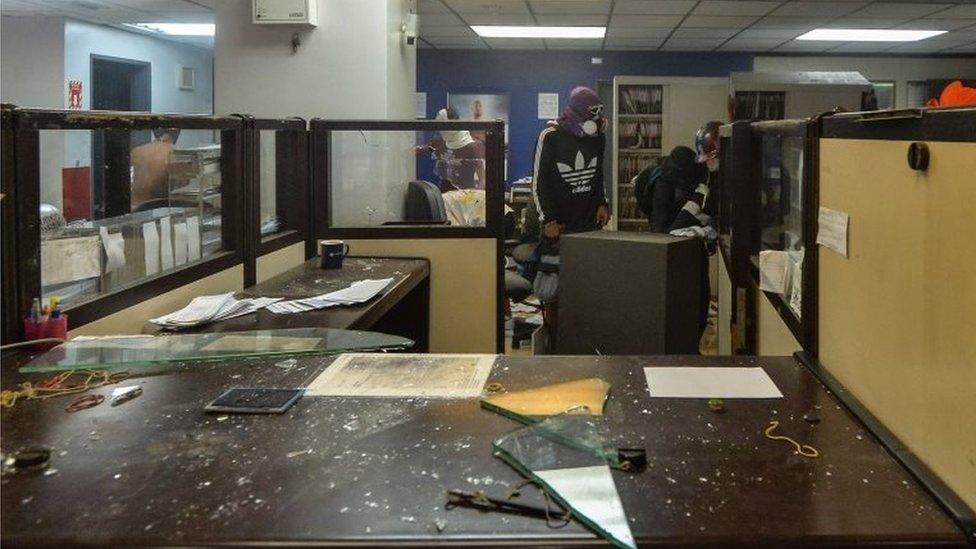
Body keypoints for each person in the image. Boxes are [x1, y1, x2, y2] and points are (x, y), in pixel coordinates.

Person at [634, 145, 713, 340]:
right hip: (670, 237)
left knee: (698, 297)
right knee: (678, 299)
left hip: (688, 240)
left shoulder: (698, 172)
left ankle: (691, 339)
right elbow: (661, 232)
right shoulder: (664, 183)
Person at [531, 86, 610, 241]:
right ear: (579, 111)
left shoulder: (597, 137)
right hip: (559, 226)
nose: (598, 116)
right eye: (594, 111)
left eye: (600, 110)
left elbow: (598, 173)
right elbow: (539, 183)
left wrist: (602, 202)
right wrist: (548, 220)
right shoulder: (550, 136)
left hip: (589, 223)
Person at [419, 108, 486, 190]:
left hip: (465, 196)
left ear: (452, 124)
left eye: (443, 125)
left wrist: (475, 198)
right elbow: (419, 150)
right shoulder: (440, 142)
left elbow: (483, 179)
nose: (441, 130)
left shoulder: (472, 146)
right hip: (444, 196)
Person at [131, 128, 180, 209]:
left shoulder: (136, 151)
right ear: (176, 131)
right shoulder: (176, 154)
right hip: (156, 209)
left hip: (133, 208)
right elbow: (181, 192)